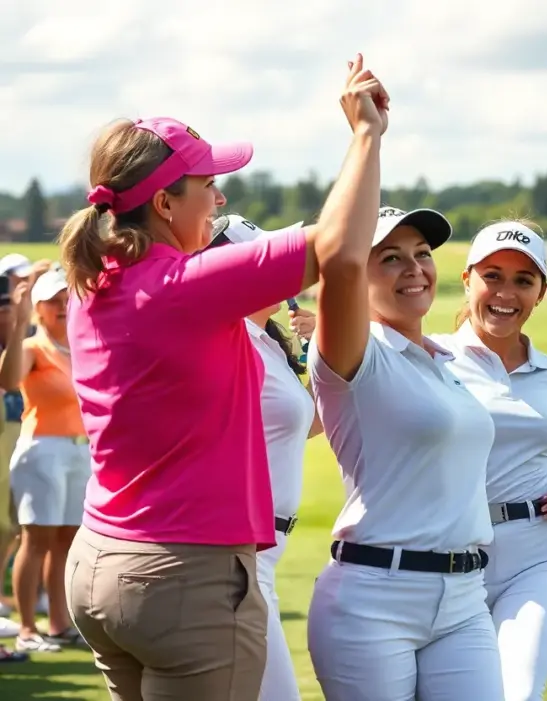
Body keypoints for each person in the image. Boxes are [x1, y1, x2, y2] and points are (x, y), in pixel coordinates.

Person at [58, 54, 381, 699]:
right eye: (208, 182)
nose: (220, 196)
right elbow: (343, 248)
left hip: (99, 563)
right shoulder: (182, 288)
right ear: (163, 202)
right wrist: (366, 135)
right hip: (183, 575)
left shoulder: (92, 285)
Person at [305, 62, 502, 700]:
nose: (414, 268)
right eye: (390, 258)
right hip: (373, 599)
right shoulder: (354, 353)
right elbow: (336, 263)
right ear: (360, 276)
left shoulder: (448, 362)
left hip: (466, 597)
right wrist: (368, 136)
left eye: (422, 255)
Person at [430, 220, 547, 701]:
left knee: (518, 694)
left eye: (524, 280)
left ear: (541, 292)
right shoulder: (431, 358)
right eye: (493, 276)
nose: (506, 292)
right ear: (467, 280)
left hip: (537, 555)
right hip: (449, 560)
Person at [207, 214, 324, 700]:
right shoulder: (226, 341)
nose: (279, 269)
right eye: (263, 260)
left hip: (263, 549)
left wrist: (322, 346)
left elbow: (308, 424)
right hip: (236, 551)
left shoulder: (266, 341)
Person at [0, 270, 89, 653]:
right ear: (39, 307)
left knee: (67, 542)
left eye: (67, 300)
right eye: (54, 301)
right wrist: (19, 324)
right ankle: (25, 627)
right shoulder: (34, 348)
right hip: (42, 449)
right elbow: (7, 380)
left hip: (79, 449)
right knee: (36, 540)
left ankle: (58, 622)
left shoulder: (82, 346)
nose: (63, 307)